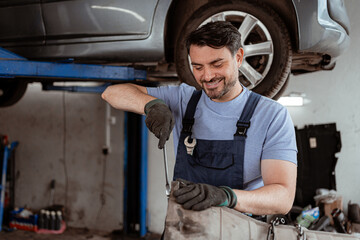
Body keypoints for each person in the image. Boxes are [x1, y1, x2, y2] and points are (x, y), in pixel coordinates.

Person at [102, 21, 297, 216]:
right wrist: (151, 105)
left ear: (238, 57)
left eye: (217, 64)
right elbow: (111, 93)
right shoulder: (183, 100)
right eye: (198, 67)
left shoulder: (271, 115)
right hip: (185, 229)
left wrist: (226, 197)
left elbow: (283, 198)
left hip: (241, 231)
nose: (207, 76)